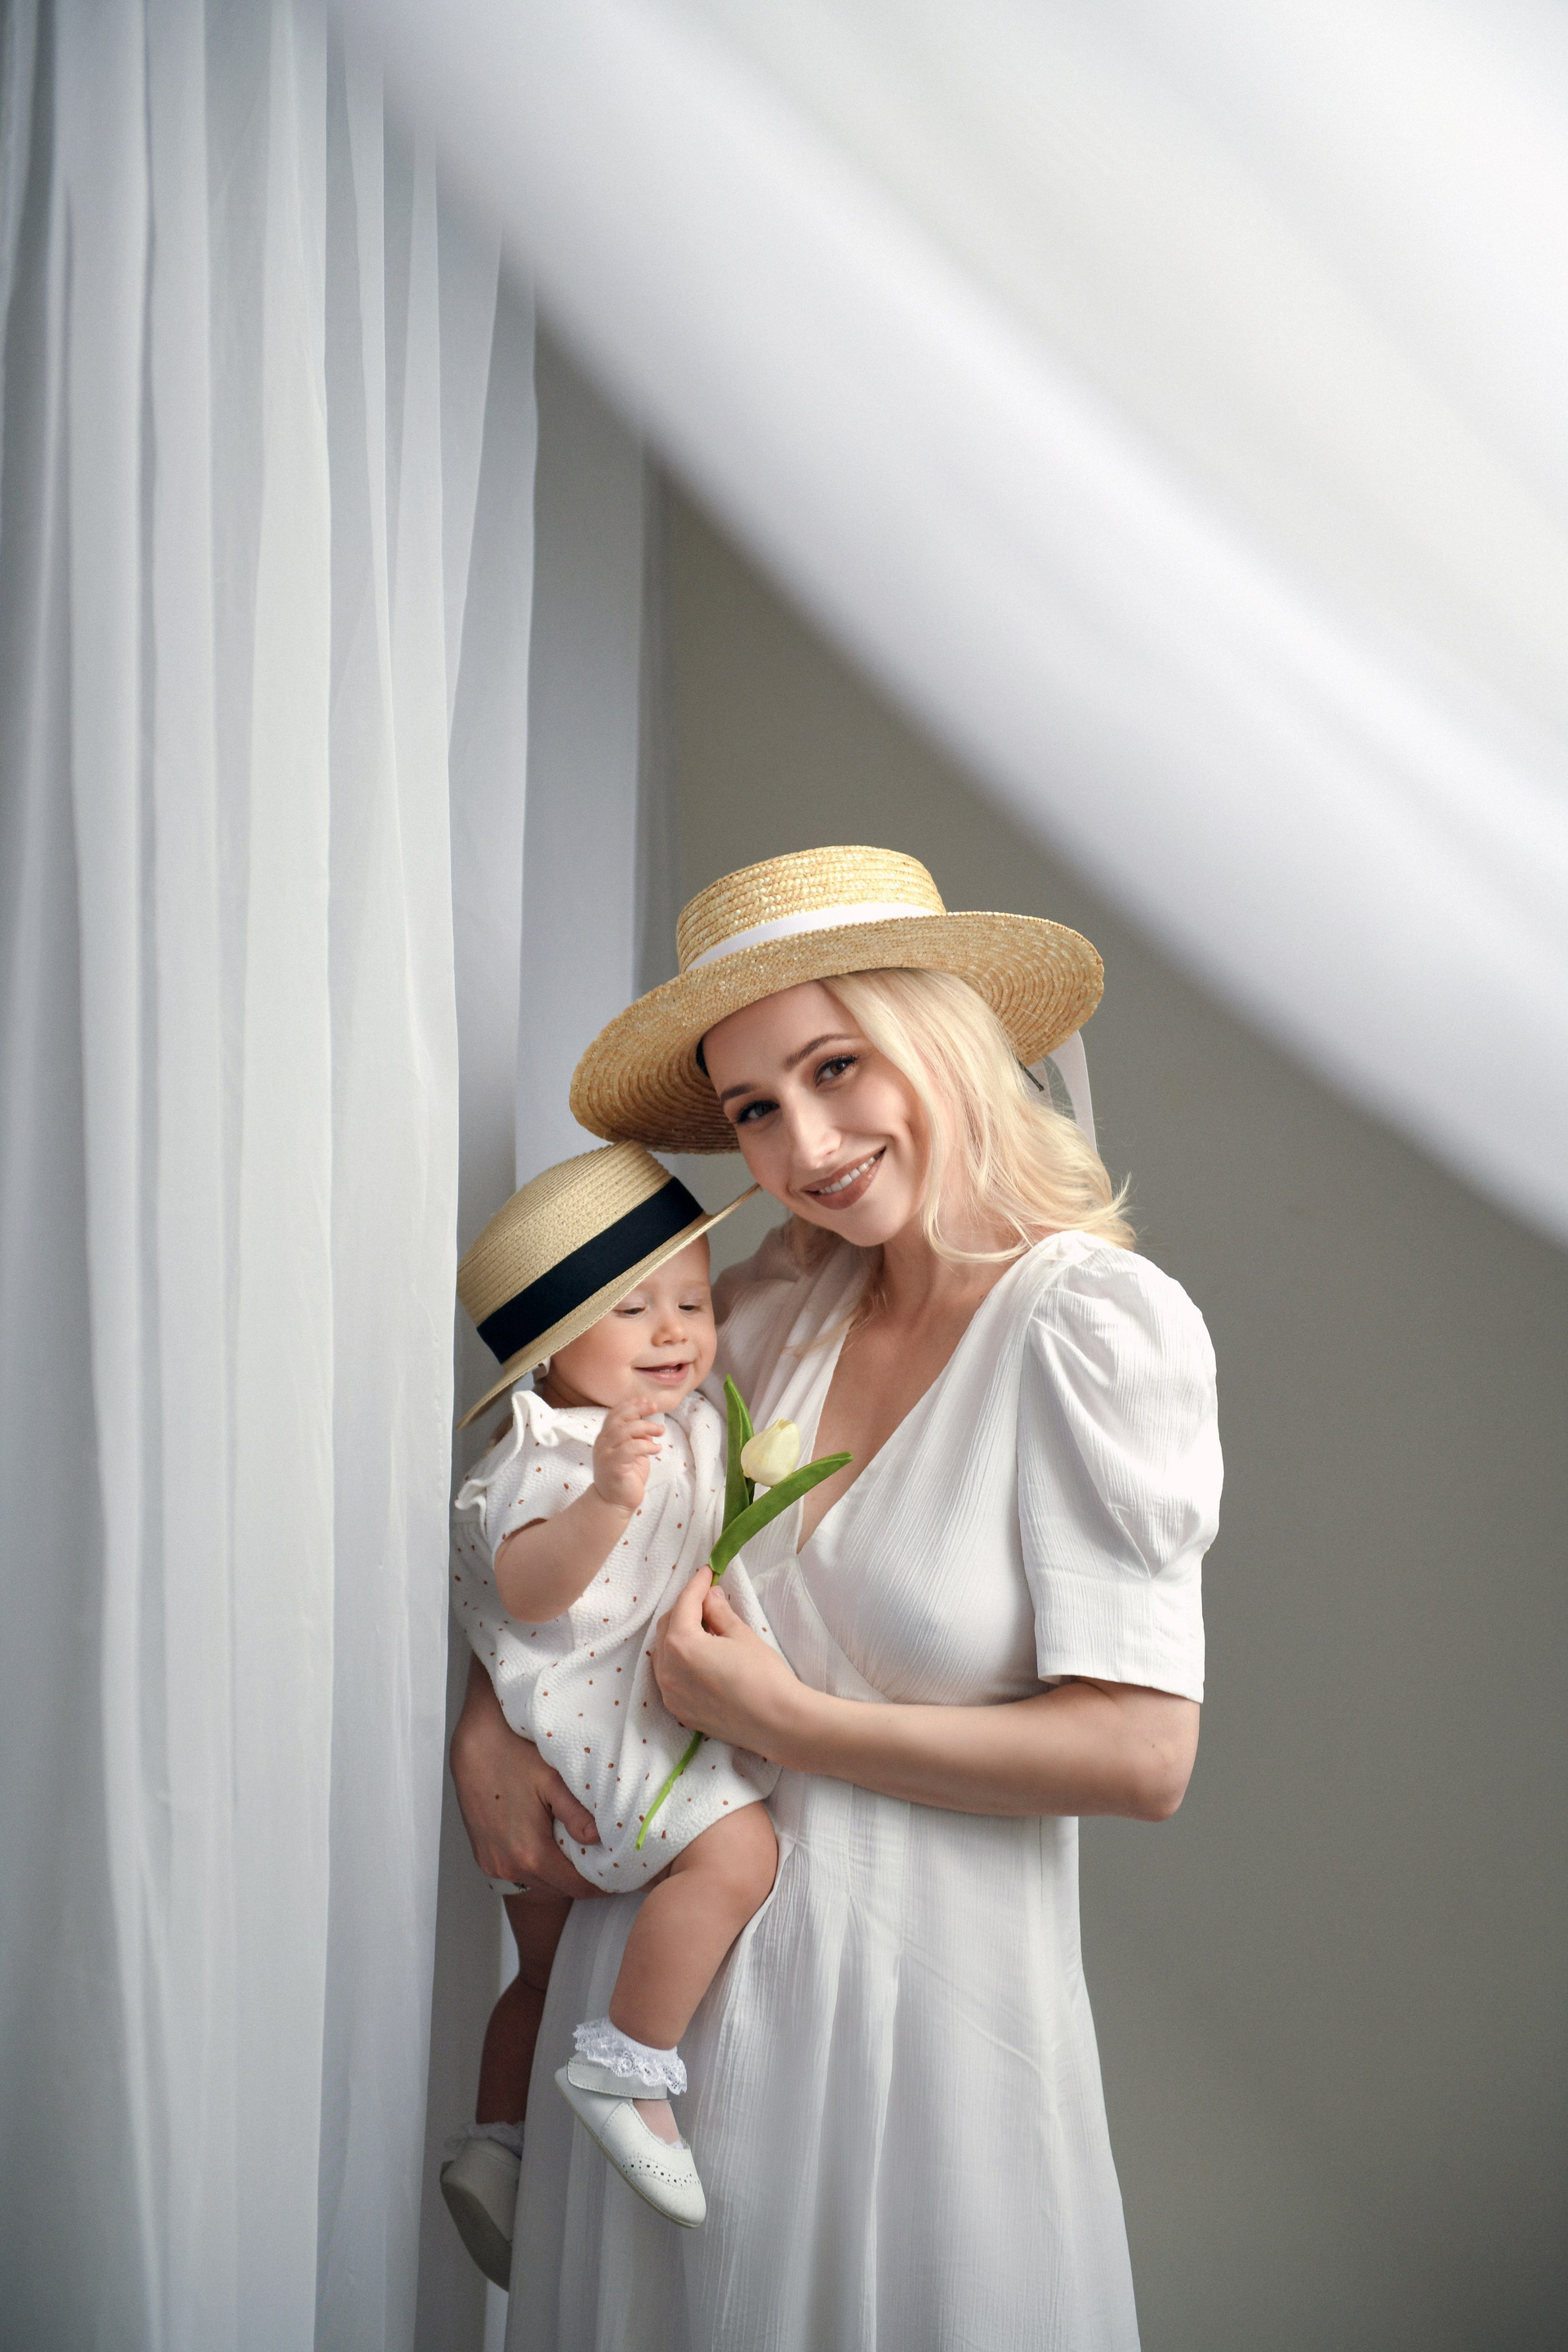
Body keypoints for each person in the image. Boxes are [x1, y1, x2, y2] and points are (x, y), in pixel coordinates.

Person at [451, 846, 1222, 2351]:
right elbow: (574, 1528)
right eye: (754, 1108)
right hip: (644, 2053)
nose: (804, 1144)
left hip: (916, 2055)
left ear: (940, 1037)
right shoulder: (762, 1313)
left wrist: (786, 1719)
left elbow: (1144, 1756)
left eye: (835, 1066)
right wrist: (488, 1717)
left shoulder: (1089, 1325)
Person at [439, 1143, 778, 2278]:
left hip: (560, 1748)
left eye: (693, 1300)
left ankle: (497, 2146)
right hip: (589, 1746)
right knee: (738, 1851)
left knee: (539, 1977)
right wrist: (606, 1501)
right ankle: (628, 2066)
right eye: (631, 1309)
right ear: (549, 1348)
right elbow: (531, 1589)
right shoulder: (547, 1452)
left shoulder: (676, 1422)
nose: (673, 1330)